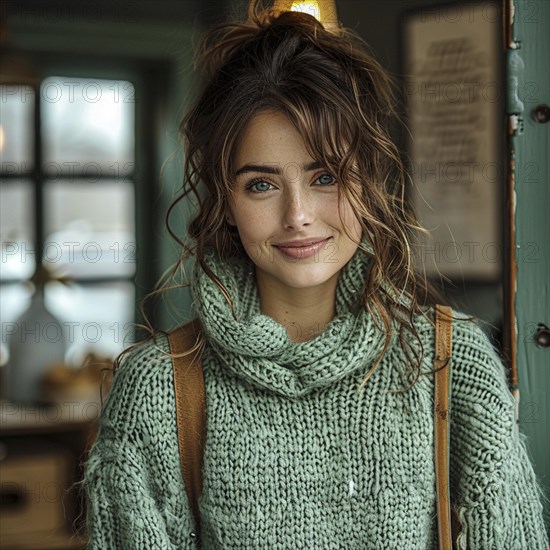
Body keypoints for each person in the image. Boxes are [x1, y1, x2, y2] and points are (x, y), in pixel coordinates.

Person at [83, 2, 549, 549]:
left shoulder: (451, 365)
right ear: (225, 201)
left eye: (325, 175)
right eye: (261, 183)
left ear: (367, 180)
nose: (298, 215)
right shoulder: (158, 390)